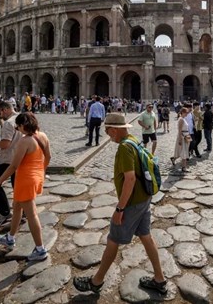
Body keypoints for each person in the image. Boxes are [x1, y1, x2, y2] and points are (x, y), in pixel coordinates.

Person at [73, 113, 167, 295]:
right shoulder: (133, 140)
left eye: (108, 133)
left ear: (114, 130)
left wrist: (120, 208)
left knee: (113, 239)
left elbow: (130, 179)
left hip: (132, 201)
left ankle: (96, 281)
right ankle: (159, 279)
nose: (109, 137)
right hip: (144, 197)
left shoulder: (124, 147)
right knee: (146, 236)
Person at [0, 112, 51, 261]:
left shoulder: (24, 141)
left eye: (18, 127)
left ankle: (40, 249)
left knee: (32, 214)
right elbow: (48, 157)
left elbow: (14, 166)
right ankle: (10, 237)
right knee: (17, 207)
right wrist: (41, 171)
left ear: (22, 126)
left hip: (25, 179)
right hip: (36, 177)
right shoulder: (43, 136)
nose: (17, 129)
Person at [0, 101, 21, 226]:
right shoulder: (21, 118)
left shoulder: (8, 123)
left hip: (7, 160)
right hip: (20, 158)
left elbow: (6, 144)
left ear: (6, 109)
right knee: (17, 187)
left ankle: (5, 213)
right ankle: (23, 213)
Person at [172, 107, 191, 172]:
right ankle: (184, 167)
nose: (187, 114)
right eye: (186, 112)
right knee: (184, 151)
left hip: (186, 136)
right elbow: (179, 130)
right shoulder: (181, 119)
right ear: (183, 112)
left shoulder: (183, 119)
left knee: (182, 151)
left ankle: (174, 158)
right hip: (182, 137)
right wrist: (180, 139)